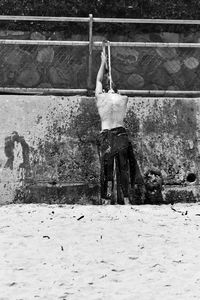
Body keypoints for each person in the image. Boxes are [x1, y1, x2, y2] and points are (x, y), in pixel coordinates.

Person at [95, 51, 137, 205]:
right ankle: (126, 199)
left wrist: (103, 63)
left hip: (106, 134)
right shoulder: (123, 99)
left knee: (106, 169)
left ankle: (106, 199)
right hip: (120, 134)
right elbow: (115, 87)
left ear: (105, 89)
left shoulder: (100, 97)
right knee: (123, 168)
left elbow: (99, 79)